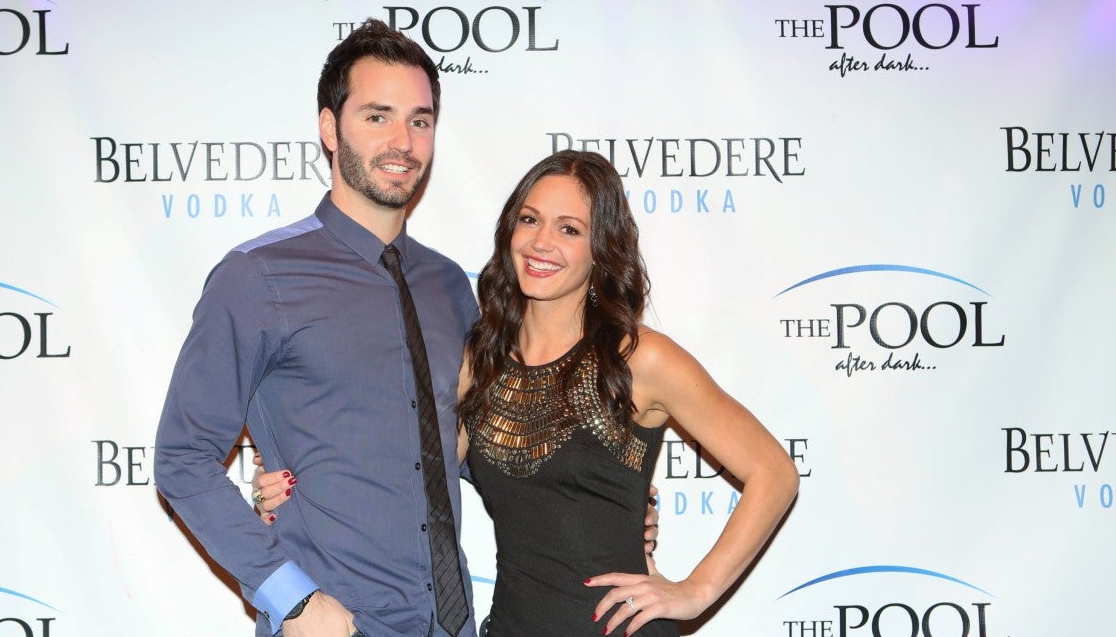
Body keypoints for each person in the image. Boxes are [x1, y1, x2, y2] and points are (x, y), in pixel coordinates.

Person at [257, 150, 799, 636]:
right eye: (530, 219)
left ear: (601, 248)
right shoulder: (480, 361)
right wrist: (297, 487)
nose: (542, 243)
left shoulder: (640, 358)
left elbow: (774, 472)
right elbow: (410, 478)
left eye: (570, 229)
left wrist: (696, 591)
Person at [154, 18, 480, 637]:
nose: (403, 141)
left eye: (420, 120)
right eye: (377, 116)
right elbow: (182, 457)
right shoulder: (259, 277)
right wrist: (294, 601)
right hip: (339, 623)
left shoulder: (448, 286)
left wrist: (609, 495)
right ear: (330, 129)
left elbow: (475, 445)